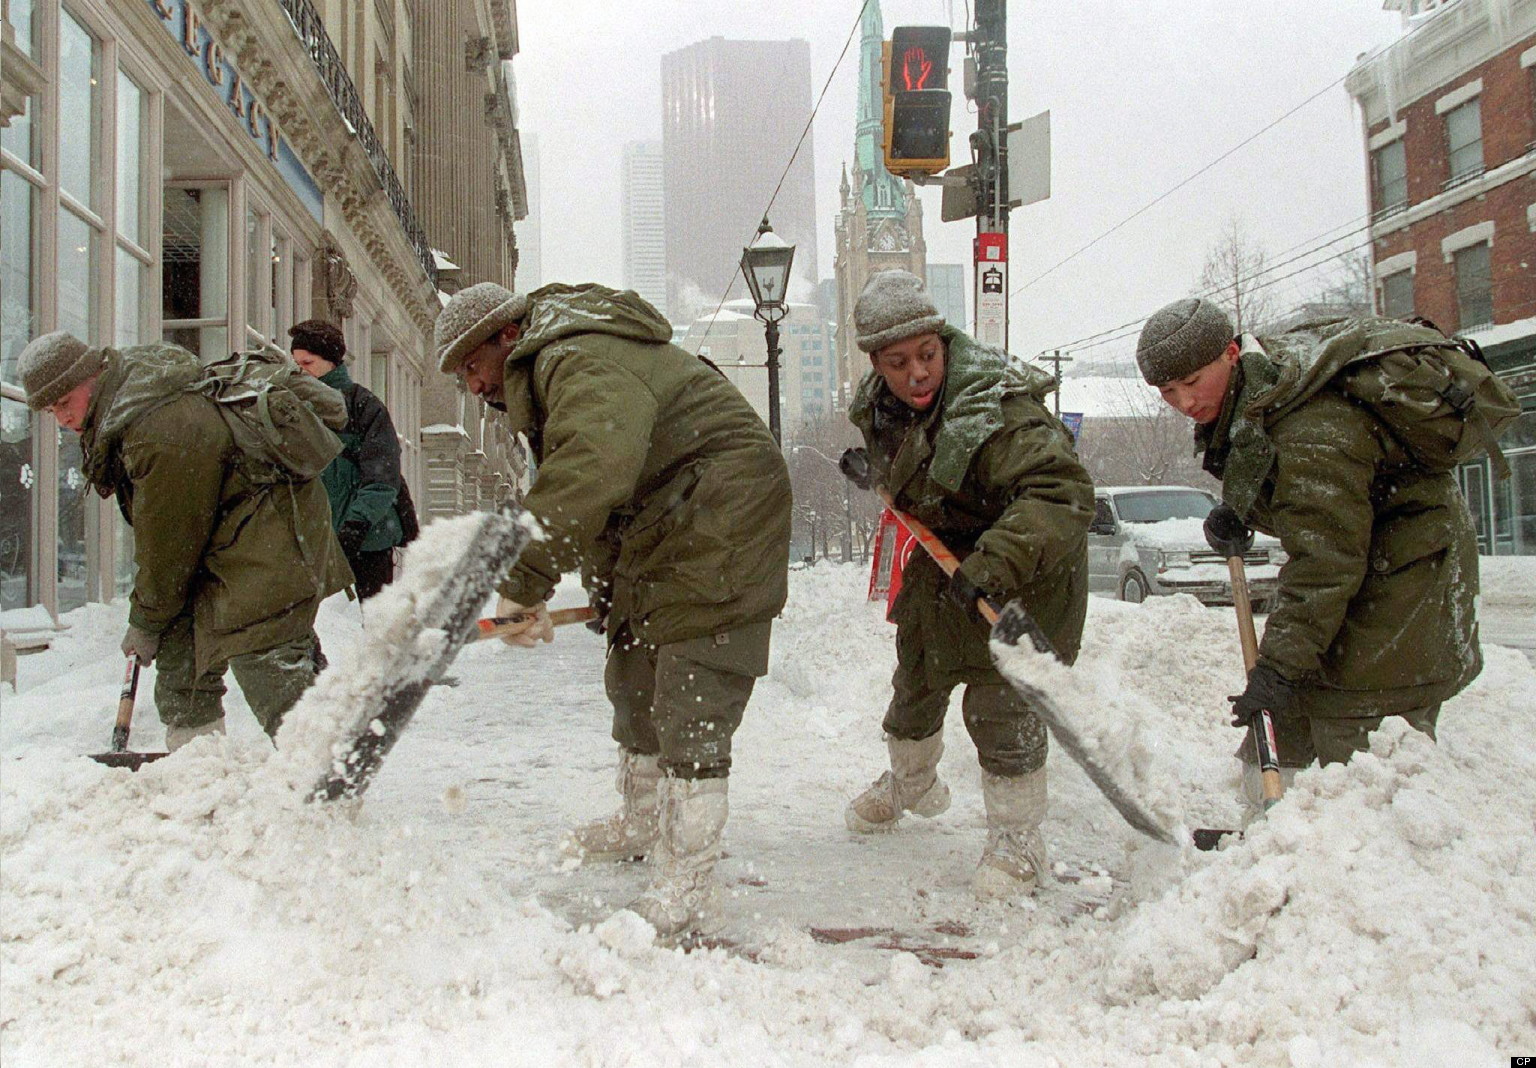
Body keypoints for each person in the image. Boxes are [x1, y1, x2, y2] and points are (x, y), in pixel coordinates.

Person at [435, 281, 791, 938]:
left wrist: (528, 578)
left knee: (693, 686)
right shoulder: (555, 369)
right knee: (632, 664)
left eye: (471, 366)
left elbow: (594, 469)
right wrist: (606, 594)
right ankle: (641, 817)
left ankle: (685, 877)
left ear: (506, 337)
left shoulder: (577, 355)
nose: (472, 386)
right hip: (663, 517)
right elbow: (602, 506)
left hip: (721, 512)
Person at [1135, 297, 1482, 799]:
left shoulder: (1311, 427)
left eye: (1191, 382)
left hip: (1406, 577)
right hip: (1360, 559)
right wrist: (1244, 506)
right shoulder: (1258, 393)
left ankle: (1368, 859)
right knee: (1285, 717)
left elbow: (1325, 562)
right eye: (1168, 391)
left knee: (1358, 730)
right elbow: (1305, 500)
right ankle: (1269, 842)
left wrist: (1276, 668)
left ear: (1231, 353)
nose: (1184, 402)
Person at [842, 270, 1094, 900]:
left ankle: (1016, 840)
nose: (917, 373)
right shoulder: (882, 405)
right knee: (917, 679)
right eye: (898, 363)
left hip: (1027, 572)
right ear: (876, 362)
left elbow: (1060, 493)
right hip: (947, 565)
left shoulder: (997, 406)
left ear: (944, 341)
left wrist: (995, 563)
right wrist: (873, 468)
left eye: (928, 355)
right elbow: (922, 474)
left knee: (1000, 705)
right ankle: (910, 782)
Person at [17, 331, 351, 750]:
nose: (62, 419)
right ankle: (197, 769)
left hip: (268, 542)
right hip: (229, 537)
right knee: (183, 655)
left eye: (64, 403)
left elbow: (168, 546)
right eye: (51, 410)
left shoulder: (157, 429)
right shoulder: (131, 403)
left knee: (267, 663)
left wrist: (145, 619)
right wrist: (157, 619)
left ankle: (329, 779)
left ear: (93, 376)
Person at [289, 319, 415, 602]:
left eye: (307, 363)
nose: (300, 372)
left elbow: (383, 477)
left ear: (331, 362)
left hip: (367, 543)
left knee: (370, 623)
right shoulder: (292, 407)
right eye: (296, 364)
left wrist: (355, 526)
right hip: (315, 543)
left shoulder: (364, 406)